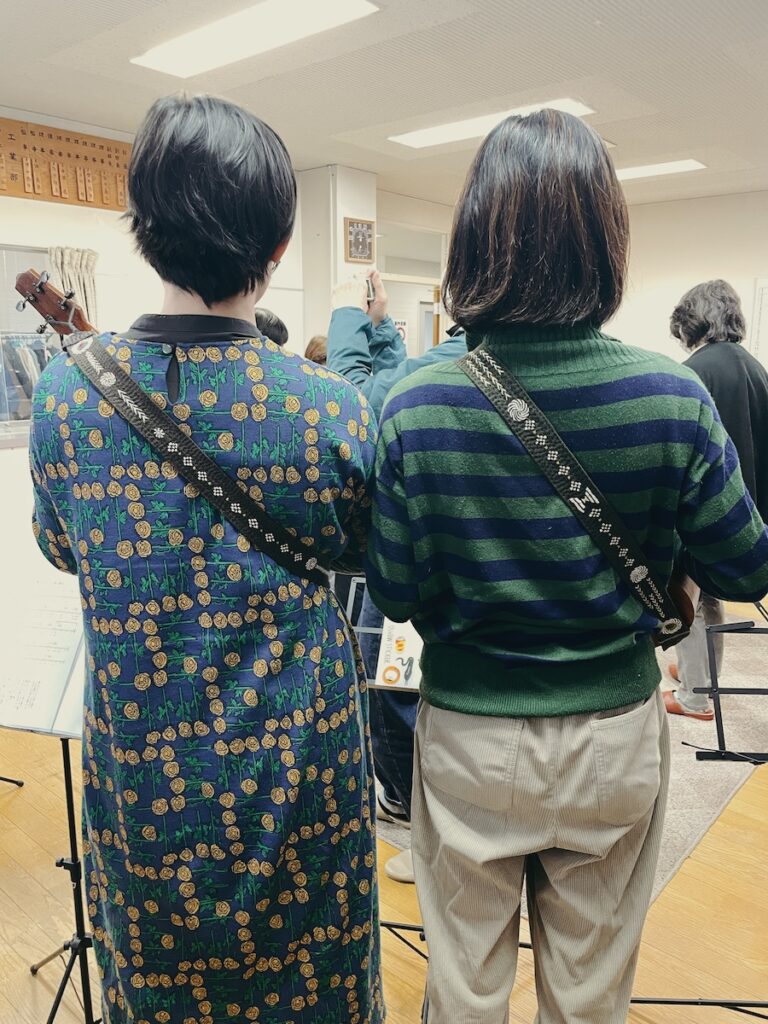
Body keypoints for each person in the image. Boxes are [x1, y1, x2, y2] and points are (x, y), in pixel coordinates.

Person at [365, 109, 768, 1024]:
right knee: (589, 996)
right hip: (613, 735)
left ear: (475, 237)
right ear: (605, 240)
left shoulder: (415, 402)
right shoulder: (673, 394)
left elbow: (391, 589)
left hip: (467, 733)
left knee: (462, 991)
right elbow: (747, 568)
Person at [28, 94, 383, 1024]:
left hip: (145, 779)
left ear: (143, 231)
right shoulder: (331, 408)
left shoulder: (66, 396)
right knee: (317, 984)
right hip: (299, 773)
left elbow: (60, 545)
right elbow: (364, 556)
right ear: (277, 249)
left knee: (156, 987)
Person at [327, 271, 467, 883]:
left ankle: (414, 815)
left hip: (417, 560)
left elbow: (354, 405)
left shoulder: (449, 363)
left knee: (392, 685)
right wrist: (382, 328)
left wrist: (350, 317)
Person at [666, 279, 768, 719]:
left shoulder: (695, 372)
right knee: (710, 594)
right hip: (748, 514)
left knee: (688, 594)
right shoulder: (754, 367)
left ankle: (695, 695)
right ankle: (704, 675)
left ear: (691, 321)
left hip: (708, 507)